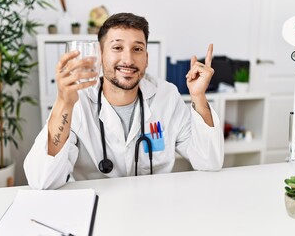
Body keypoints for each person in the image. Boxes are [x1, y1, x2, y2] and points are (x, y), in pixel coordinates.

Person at [24, 12, 224, 190]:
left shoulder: (167, 96)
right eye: (117, 47)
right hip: (97, 210)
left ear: (146, 57)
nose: (128, 59)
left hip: (156, 209)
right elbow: (43, 181)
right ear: (100, 55)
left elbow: (209, 161)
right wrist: (63, 102)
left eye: (137, 49)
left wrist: (198, 96)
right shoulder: (77, 101)